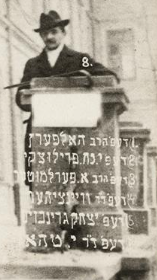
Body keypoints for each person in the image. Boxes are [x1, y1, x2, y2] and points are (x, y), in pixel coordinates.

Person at [16, 10, 117, 187]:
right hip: (43, 134)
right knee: (44, 188)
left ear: (63, 33)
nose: (49, 37)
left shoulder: (80, 60)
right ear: (40, 36)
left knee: (79, 184)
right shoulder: (32, 64)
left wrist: (80, 83)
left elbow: (109, 76)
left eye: (54, 31)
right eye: (45, 33)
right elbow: (20, 98)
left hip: (75, 131)